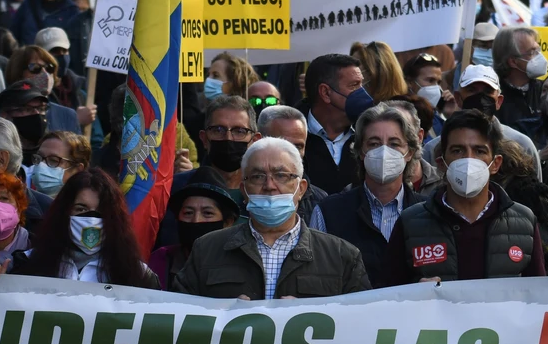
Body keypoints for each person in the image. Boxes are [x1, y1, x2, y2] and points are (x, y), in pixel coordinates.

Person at [171, 137, 372, 299]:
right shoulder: (206, 250)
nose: (269, 185)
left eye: (281, 175)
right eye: (258, 176)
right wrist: (223, 317)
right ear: (244, 190)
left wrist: (309, 316)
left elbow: (359, 329)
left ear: (301, 189)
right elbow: (179, 320)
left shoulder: (342, 256)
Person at [385, 110, 547, 283]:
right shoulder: (410, 223)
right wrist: (414, 293)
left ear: (495, 164)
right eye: (457, 150)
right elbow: (389, 295)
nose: (469, 160)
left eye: (479, 151)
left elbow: (536, 297)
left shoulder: (523, 222)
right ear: (441, 163)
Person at [311, 102, 424, 287]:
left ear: (409, 153)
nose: (384, 151)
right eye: (374, 143)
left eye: (394, 144)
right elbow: (315, 277)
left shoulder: (429, 212)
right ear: (361, 152)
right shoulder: (328, 212)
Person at [0, 168, 159, 286]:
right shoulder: (28, 263)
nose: (91, 219)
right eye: (81, 209)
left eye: (101, 211)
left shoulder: (138, 275)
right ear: (64, 212)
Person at [147, 183, 240, 289]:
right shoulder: (160, 259)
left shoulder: (240, 263)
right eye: (188, 213)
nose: (196, 220)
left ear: (227, 223)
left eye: (207, 213)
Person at [301, 52, 365, 194]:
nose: (362, 93)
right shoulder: (290, 136)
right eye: (354, 86)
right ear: (326, 93)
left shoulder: (370, 133)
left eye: (362, 84)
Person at [490, 26, 547, 131]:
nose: (540, 56)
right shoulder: (492, 97)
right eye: (532, 52)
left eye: (538, 50)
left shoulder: (545, 89)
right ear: (513, 61)